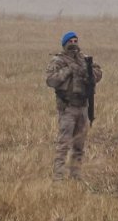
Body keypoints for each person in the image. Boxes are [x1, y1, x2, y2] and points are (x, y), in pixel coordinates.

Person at [44, 31, 103, 180]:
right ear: (65, 44)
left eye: (76, 40)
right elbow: (51, 80)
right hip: (68, 108)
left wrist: (88, 73)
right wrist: (68, 70)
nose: (74, 44)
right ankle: (58, 177)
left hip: (83, 108)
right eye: (70, 41)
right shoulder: (58, 61)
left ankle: (75, 175)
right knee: (63, 144)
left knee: (79, 146)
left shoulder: (85, 60)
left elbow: (98, 73)